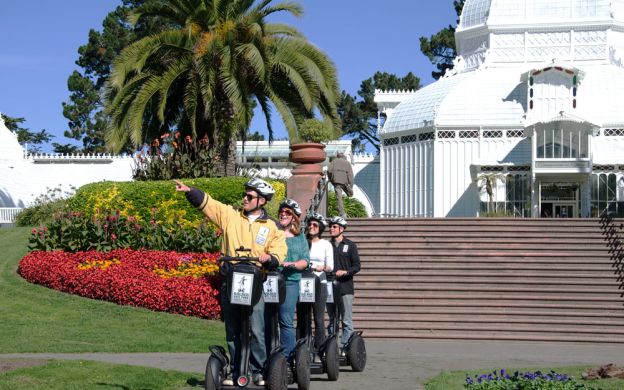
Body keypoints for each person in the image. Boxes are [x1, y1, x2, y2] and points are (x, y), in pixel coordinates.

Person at [174, 178, 287, 386]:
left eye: (250, 196)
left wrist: (270, 258)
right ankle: (235, 370)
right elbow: (210, 205)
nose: (245, 198)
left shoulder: (272, 227)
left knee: (256, 328)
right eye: (245, 194)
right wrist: (190, 191)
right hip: (232, 278)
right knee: (233, 327)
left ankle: (258, 370)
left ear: (261, 201)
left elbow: (279, 251)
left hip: (256, 281)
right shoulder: (231, 217)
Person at [274, 199, 309, 362]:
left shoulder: (299, 237)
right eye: (281, 211)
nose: (283, 214)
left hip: (290, 282)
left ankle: (286, 359)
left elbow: (305, 260)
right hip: (271, 280)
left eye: (288, 212)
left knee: (285, 320)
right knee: (267, 320)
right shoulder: (272, 232)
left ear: (294, 217)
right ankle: (267, 356)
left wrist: (293, 264)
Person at [326, 216, 360, 353]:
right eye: (331, 226)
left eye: (334, 227)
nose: (331, 229)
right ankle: (331, 348)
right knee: (333, 319)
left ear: (341, 229)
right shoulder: (327, 245)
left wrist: (345, 272)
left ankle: (346, 348)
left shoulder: (350, 245)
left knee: (346, 320)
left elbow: (357, 266)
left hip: (345, 287)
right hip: (330, 287)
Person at [305, 212, 334, 353]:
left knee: (318, 318)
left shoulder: (326, 244)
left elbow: (330, 266)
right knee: (304, 317)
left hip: (320, 283)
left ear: (321, 228)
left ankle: (319, 349)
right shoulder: (303, 242)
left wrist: (321, 267)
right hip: (304, 282)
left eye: (315, 225)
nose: (311, 227)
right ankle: (303, 348)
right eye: (309, 224)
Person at [327, 151, 354, 218]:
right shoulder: (347, 163)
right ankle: (350, 192)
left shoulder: (334, 161)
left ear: (337, 156)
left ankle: (342, 214)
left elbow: (329, 171)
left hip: (336, 181)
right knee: (349, 193)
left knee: (339, 198)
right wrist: (351, 185)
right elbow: (350, 175)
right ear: (344, 156)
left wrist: (331, 179)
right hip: (345, 182)